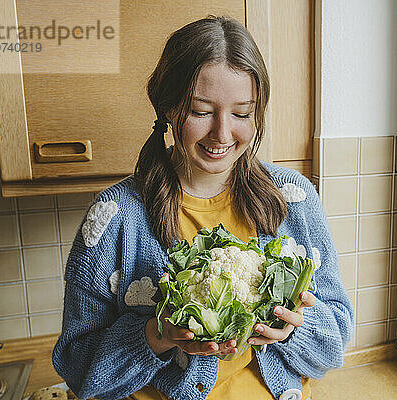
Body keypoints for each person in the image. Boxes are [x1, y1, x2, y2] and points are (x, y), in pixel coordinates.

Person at [52, 16, 353, 400]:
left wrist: (297, 327)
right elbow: (79, 367)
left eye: (242, 114)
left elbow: (336, 342)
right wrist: (154, 336)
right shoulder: (115, 217)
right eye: (201, 111)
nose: (222, 134)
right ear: (169, 108)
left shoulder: (293, 198)